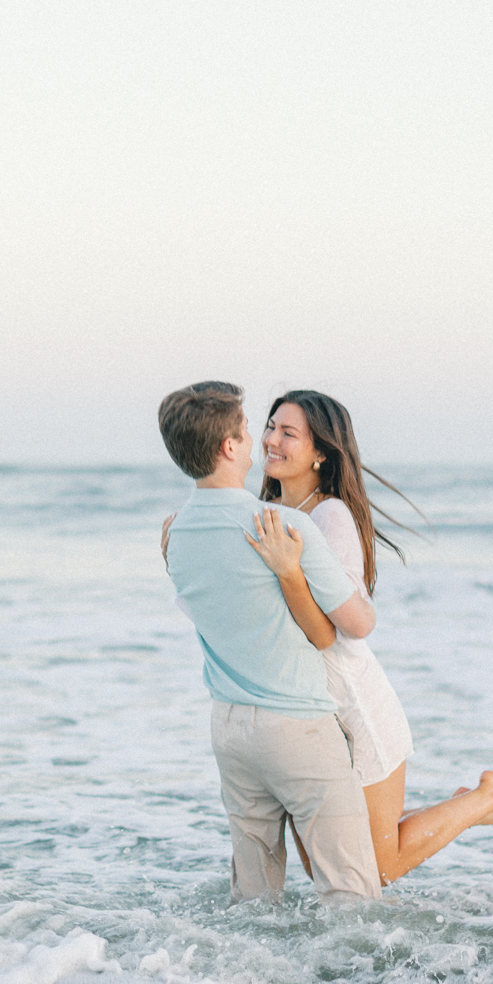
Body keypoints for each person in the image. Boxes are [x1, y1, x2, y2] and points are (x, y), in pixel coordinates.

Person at [158, 380, 493, 900]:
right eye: (267, 426)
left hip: (348, 698)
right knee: (336, 864)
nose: (270, 440)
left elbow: (349, 626)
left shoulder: (325, 516)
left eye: (289, 433)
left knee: (373, 867)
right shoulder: (268, 516)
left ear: (321, 454)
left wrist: (289, 574)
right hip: (303, 706)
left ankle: (482, 798)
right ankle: (472, 803)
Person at [158, 380, 382, 901]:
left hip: (230, 729)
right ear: (230, 447)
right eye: (249, 428)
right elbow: (357, 624)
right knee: (350, 893)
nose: (259, 440)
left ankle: (242, 982)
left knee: (253, 899)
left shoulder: (176, 532)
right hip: (296, 726)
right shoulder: (284, 523)